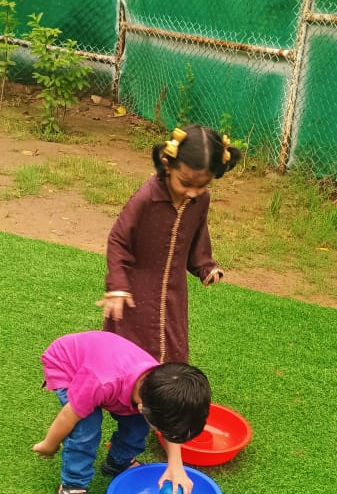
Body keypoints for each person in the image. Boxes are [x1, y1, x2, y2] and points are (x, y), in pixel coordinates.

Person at [32, 330, 211, 494]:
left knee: (137, 424)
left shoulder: (160, 387)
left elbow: (169, 424)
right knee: (86, 428)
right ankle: (72, 485)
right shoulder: (101, 382)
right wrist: (49, 445)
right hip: (69, 364)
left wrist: (176, 465)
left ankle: (118, 461)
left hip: (106, 365)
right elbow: (68, 416)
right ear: (142, 408)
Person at [98, 124, 242, 363]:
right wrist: (117, 285)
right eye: (185, 183)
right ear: (167, 164)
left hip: (174, 291)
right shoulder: (147, 198)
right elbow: (118, 240)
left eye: (202, 185)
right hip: (135, 290)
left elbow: (198, 232)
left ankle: (167, 386)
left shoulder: (200, 201)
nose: (193, 192)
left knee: (172, 344)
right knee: (131, 349)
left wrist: (205, 265)